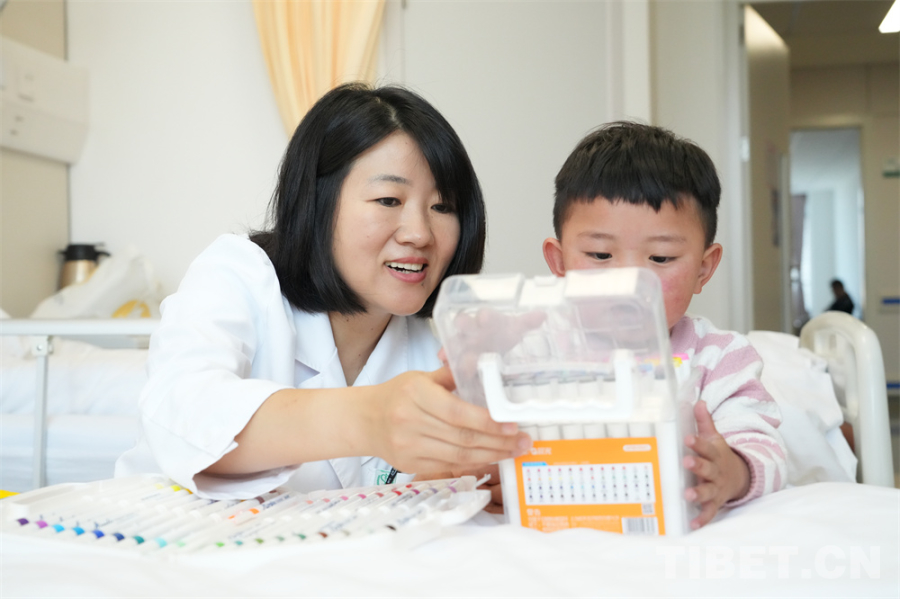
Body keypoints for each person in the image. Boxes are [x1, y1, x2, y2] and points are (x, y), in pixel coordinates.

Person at [116, 83, 531, 500]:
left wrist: (456, 477)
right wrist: (370, 419)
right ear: (318, 203)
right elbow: (184, 412)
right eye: (389, 200)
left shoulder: (432, 353)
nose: (420, 233)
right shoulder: (238, 275)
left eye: (442, 207)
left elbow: (391, 508)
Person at [541, 122, 786, 529]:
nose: (630, 282)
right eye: (600, 255)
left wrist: (732, 470)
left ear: (703, 268)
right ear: (560, 262)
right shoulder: (539, 350)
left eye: (660, 258)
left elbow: (767, 450)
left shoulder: (719, 359)